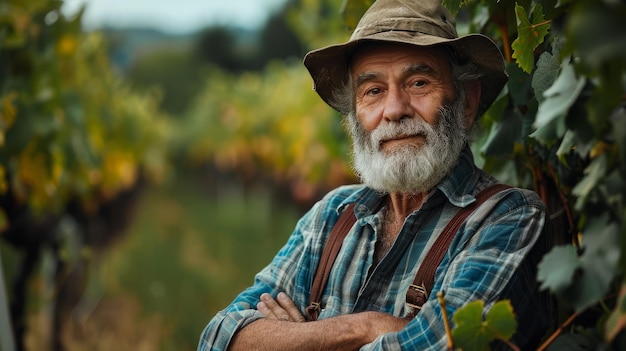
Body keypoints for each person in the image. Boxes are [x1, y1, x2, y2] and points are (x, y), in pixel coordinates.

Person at [197, 0, 555, 350]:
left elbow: (443, 345)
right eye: (373, 91)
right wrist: (366, 327)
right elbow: (218, 338)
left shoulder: (507, 217)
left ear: (466, 102)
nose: (394, 110)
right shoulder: (330, 216)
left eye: (418, 83)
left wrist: (298, 337)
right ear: (354, 114)